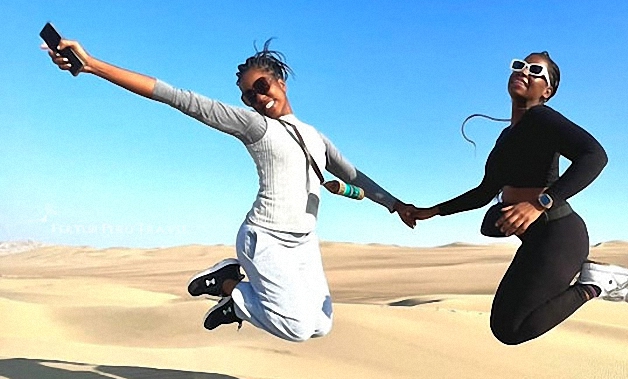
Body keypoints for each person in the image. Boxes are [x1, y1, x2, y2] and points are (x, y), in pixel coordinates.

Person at [45, 38, 414, 342]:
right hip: (265, 237)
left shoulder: (315, 137)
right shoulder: (255, 126)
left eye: (261, 87)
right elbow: (176, 97)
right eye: (248, 95)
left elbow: (355, 176)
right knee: (298, 328)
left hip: (303, 243)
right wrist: (94, 66)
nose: (256, 98)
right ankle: (230, 288)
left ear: (280, 82)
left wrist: (396, 205)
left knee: (321, 324)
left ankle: (235, 294)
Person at [405, 53, 628, 345]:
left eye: (535, 71)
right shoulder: (507, 135)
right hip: (537, 239)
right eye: (519, 65)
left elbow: (595, 156)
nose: (524, 72)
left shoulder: (541, 118)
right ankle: (589, 280)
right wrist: (431, 211)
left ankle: (593, 284)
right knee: (504, 324)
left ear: (547, 91)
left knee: (512, 329)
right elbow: (485, 191)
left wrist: (540, 203)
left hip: (559, 234)